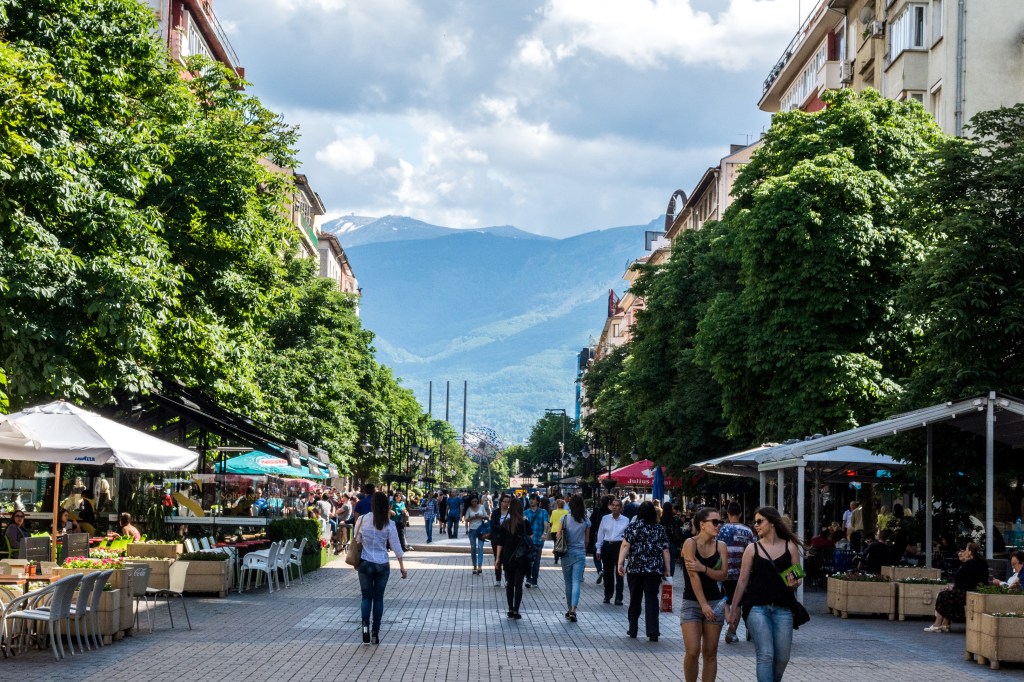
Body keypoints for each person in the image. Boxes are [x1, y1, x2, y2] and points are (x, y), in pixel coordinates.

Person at [729, 506, 804, 682]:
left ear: (771, 522)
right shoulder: (751, 549)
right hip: (756, 607)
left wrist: (795, 582)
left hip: (783, 608)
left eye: (759, 521)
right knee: (765, 654)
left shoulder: (790, 547)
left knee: (782, 657)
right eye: (754, 522)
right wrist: (733, 609)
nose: (756, 525)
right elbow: (742, 581)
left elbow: (797, 577)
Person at [682, 507, 730, 680]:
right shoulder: (690, 543)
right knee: (693, 651)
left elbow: (723, 574)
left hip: (715, 602)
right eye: (715, 522)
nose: (719, 526)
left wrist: (704, 568)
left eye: (721, 522)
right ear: (702, 524)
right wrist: (703, 604)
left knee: (710, 652)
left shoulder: (721, 546)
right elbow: (693, 577)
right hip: (692, 603)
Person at [617, 501, 671, 641]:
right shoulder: (659, 529)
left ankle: (633, 628)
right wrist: (667, 569)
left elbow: (625, 545)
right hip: (653, 569)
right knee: (652, 598)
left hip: (635, 568)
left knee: (635, 598)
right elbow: (665, 549)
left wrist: (620, 563)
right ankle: (653, 631)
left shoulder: (633, 527)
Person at [925, 542, 989, 632]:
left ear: (970, 552)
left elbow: (967, 582)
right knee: (947, 594)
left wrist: (954, 588)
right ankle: (944, 624)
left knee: (943, 595)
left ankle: (937, 623)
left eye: (966, 550)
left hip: (970, 592)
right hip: (972, 591)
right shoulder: (978, 563)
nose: (965, 552)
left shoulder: (971, 564)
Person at [718, 500, 755, 644]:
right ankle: (732, 631)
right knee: (738, 602)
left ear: (727, 513)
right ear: (740, 514)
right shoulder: (748, 531)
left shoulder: (721, 529)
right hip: (741, 573)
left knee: (725, 599)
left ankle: (728, 618)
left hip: (724, 571)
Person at [495, 497, 532, 619]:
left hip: (508, 557)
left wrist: (498, 559)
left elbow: (500, 542)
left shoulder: (505, 523)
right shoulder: (525, 523)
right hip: (521, 558)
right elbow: (530, 538)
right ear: (521, 509)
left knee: (509, 584)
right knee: (518, 584)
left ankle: (510, 609)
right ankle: (516, 610)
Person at [559, 494, 591, 622]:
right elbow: (587, 541)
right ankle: (573, 609)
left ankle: (568, 609)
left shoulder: (565, 518)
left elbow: (559, 536)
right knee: (576, 581)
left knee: (568, 583)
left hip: (566, 553)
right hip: (580, 553)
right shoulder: (586, 521)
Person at [596, 498, 629, 604]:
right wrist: (598, 548)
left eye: (617, 505)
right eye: (613, 505)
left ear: (621, 508)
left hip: (619, 546)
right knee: (607, 573)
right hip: (607, 545)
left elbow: (627, 536)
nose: (614, 507)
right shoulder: (605, 518)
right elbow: (600, 534)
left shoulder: (625, 520)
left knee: (619, 572)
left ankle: (619, 597)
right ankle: (608, 595)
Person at [523, 493, 550, 588]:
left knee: (536, 561)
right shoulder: (525, 512)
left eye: (533, 499)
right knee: (527, 560)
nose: (531, 501)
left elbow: (546, 524)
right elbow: (523, 525)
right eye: (530, 499)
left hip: (538, 540)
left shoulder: (543, 512)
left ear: (538, 501)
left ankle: (534, 580)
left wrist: (545, 533)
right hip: (528, 541)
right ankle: (528, 579)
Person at [589, 495, 611, 583]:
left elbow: (591, 522)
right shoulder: (610, 513)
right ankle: (605, 572)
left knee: (596, 556)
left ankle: (600, 570)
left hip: (597, 535)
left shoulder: (596, 510)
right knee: (606, 557)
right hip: (608, 537)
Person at [464, 495, 489, 574]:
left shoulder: (481, 507)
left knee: (480, 547)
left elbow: (487, 517)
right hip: (472, 530)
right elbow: (466, 519)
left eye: (475, 501)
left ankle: (480, 566)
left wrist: (482, 516)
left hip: (481, 530)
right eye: (472, 502)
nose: (474, 503)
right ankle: (474, 565)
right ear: (470, 502)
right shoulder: (469, 508)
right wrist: (474, 517)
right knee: (473, 548)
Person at [549, 499, 568, 565]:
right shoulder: (566, 512)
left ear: (557, 505)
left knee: (556, 544)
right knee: (563, 543)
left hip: (554, 530)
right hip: (563, 530)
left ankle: (556, 558)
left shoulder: (554, 512)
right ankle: (563, 556)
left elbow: (551, 521)